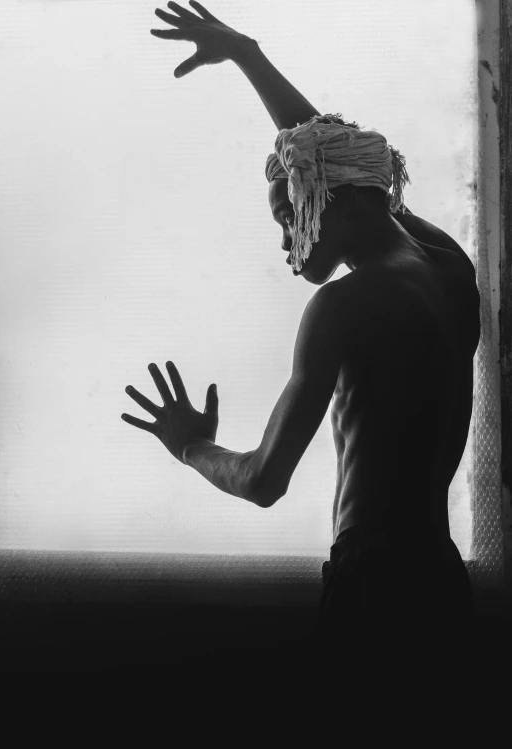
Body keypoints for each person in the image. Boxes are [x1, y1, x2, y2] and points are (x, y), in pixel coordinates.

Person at [122, 2, 479, 657]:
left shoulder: (344, 305)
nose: (288, 240)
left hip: (375, 592)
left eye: (289, 214)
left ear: (331, 197)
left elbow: (263, 478)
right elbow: (337, 164)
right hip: (441, 581)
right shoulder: (449, 273)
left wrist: (189, 447)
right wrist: (249, 55)